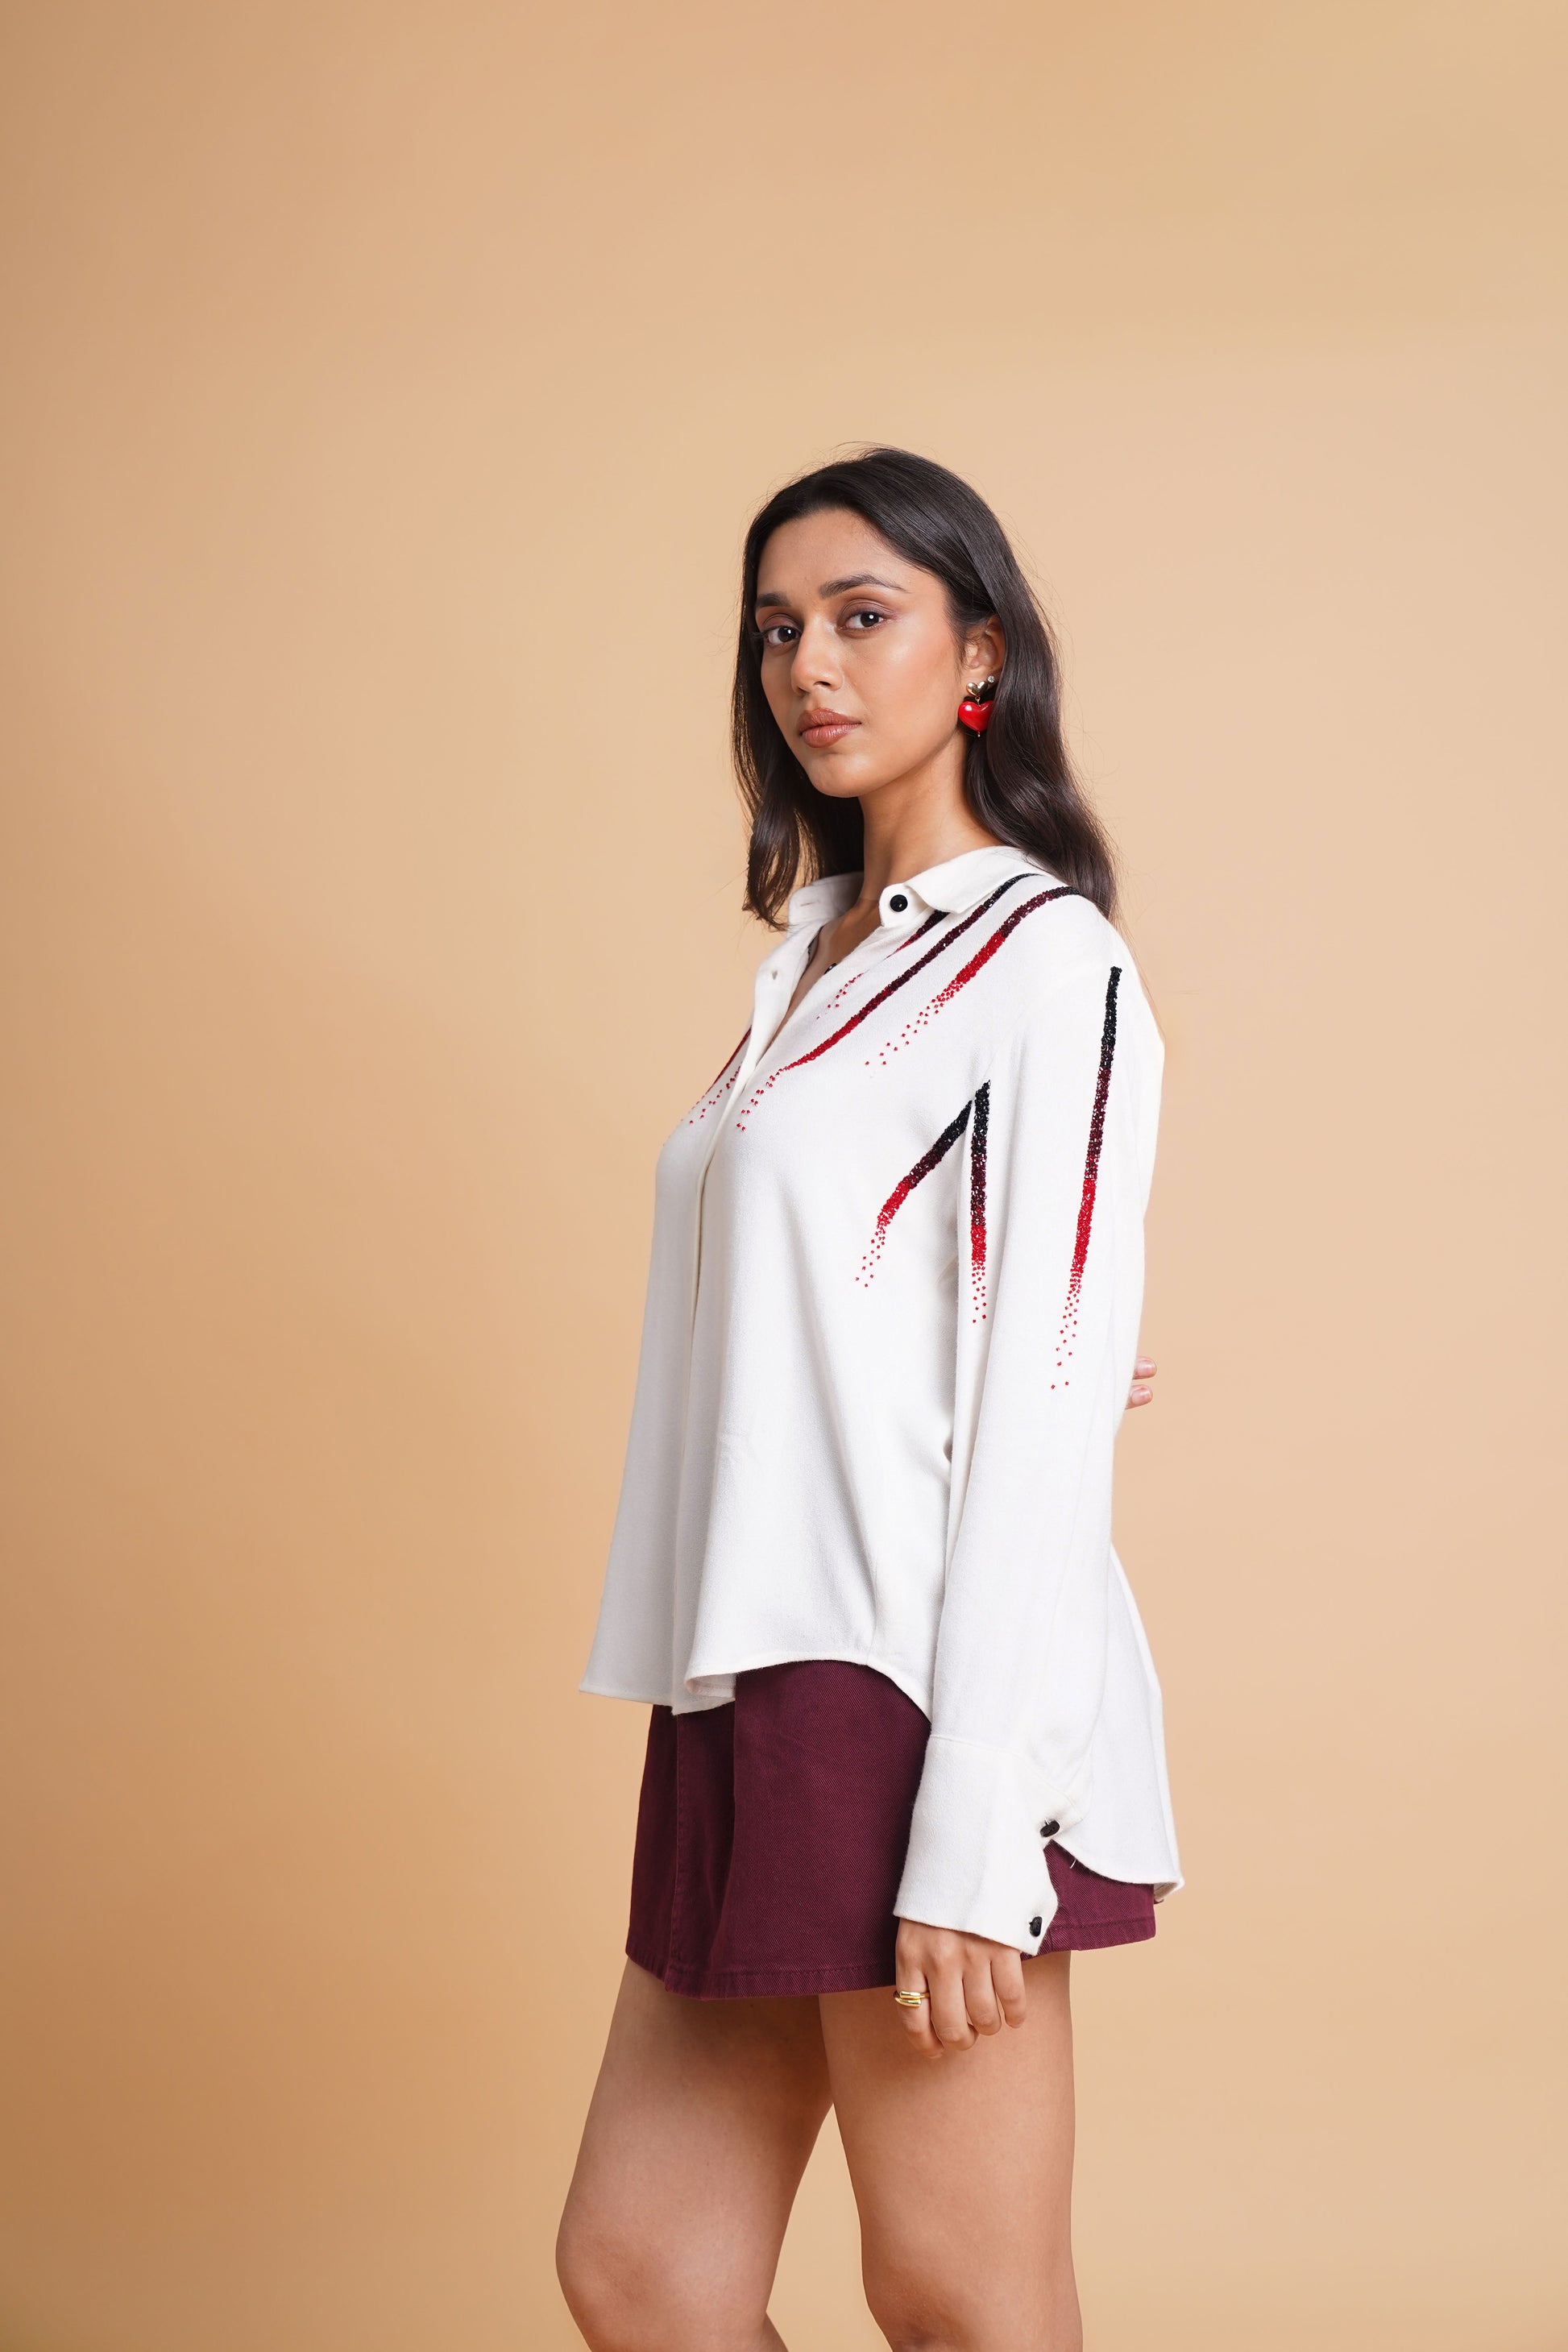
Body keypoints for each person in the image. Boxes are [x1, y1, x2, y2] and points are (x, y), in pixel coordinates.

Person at [556, 446, 1182, 2352]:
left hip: (904, 1688)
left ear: (978, 651)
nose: (808, 667)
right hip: (740, 1667)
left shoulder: (1042, 961)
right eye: (775, 630)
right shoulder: (816, 966)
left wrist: (976, 1821)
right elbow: (839, 1296)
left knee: (962, 2299)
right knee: (645, 2273)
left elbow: (1043, 1415)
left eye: (861, 616)